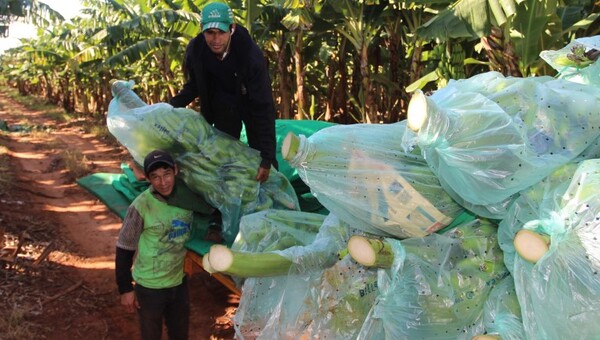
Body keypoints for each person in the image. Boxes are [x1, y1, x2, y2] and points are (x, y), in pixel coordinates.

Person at [169, 1, 277, 183]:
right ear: (202, 29)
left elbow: (263, 106)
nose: (216, 40)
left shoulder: (250, 55)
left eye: (221, 32)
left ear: (232, 29)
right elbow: (194, 85)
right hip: (220, 103)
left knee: (263, 162)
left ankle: (273, 192)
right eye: (210, 33)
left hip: (249, 99)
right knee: (223, 156)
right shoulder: (196, 50)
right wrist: (169, 107)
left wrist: (267, 158)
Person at [115, 150, 214, 340]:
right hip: (149, 287)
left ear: (175, 171)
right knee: (151, 335)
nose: (163, 182)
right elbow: (124, 248)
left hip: (178, 283)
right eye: (156, 177)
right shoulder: (141, 205)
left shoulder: (188, 200)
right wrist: (125, 288)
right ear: (148, 179)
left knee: (179, 334)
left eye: (167, 174)